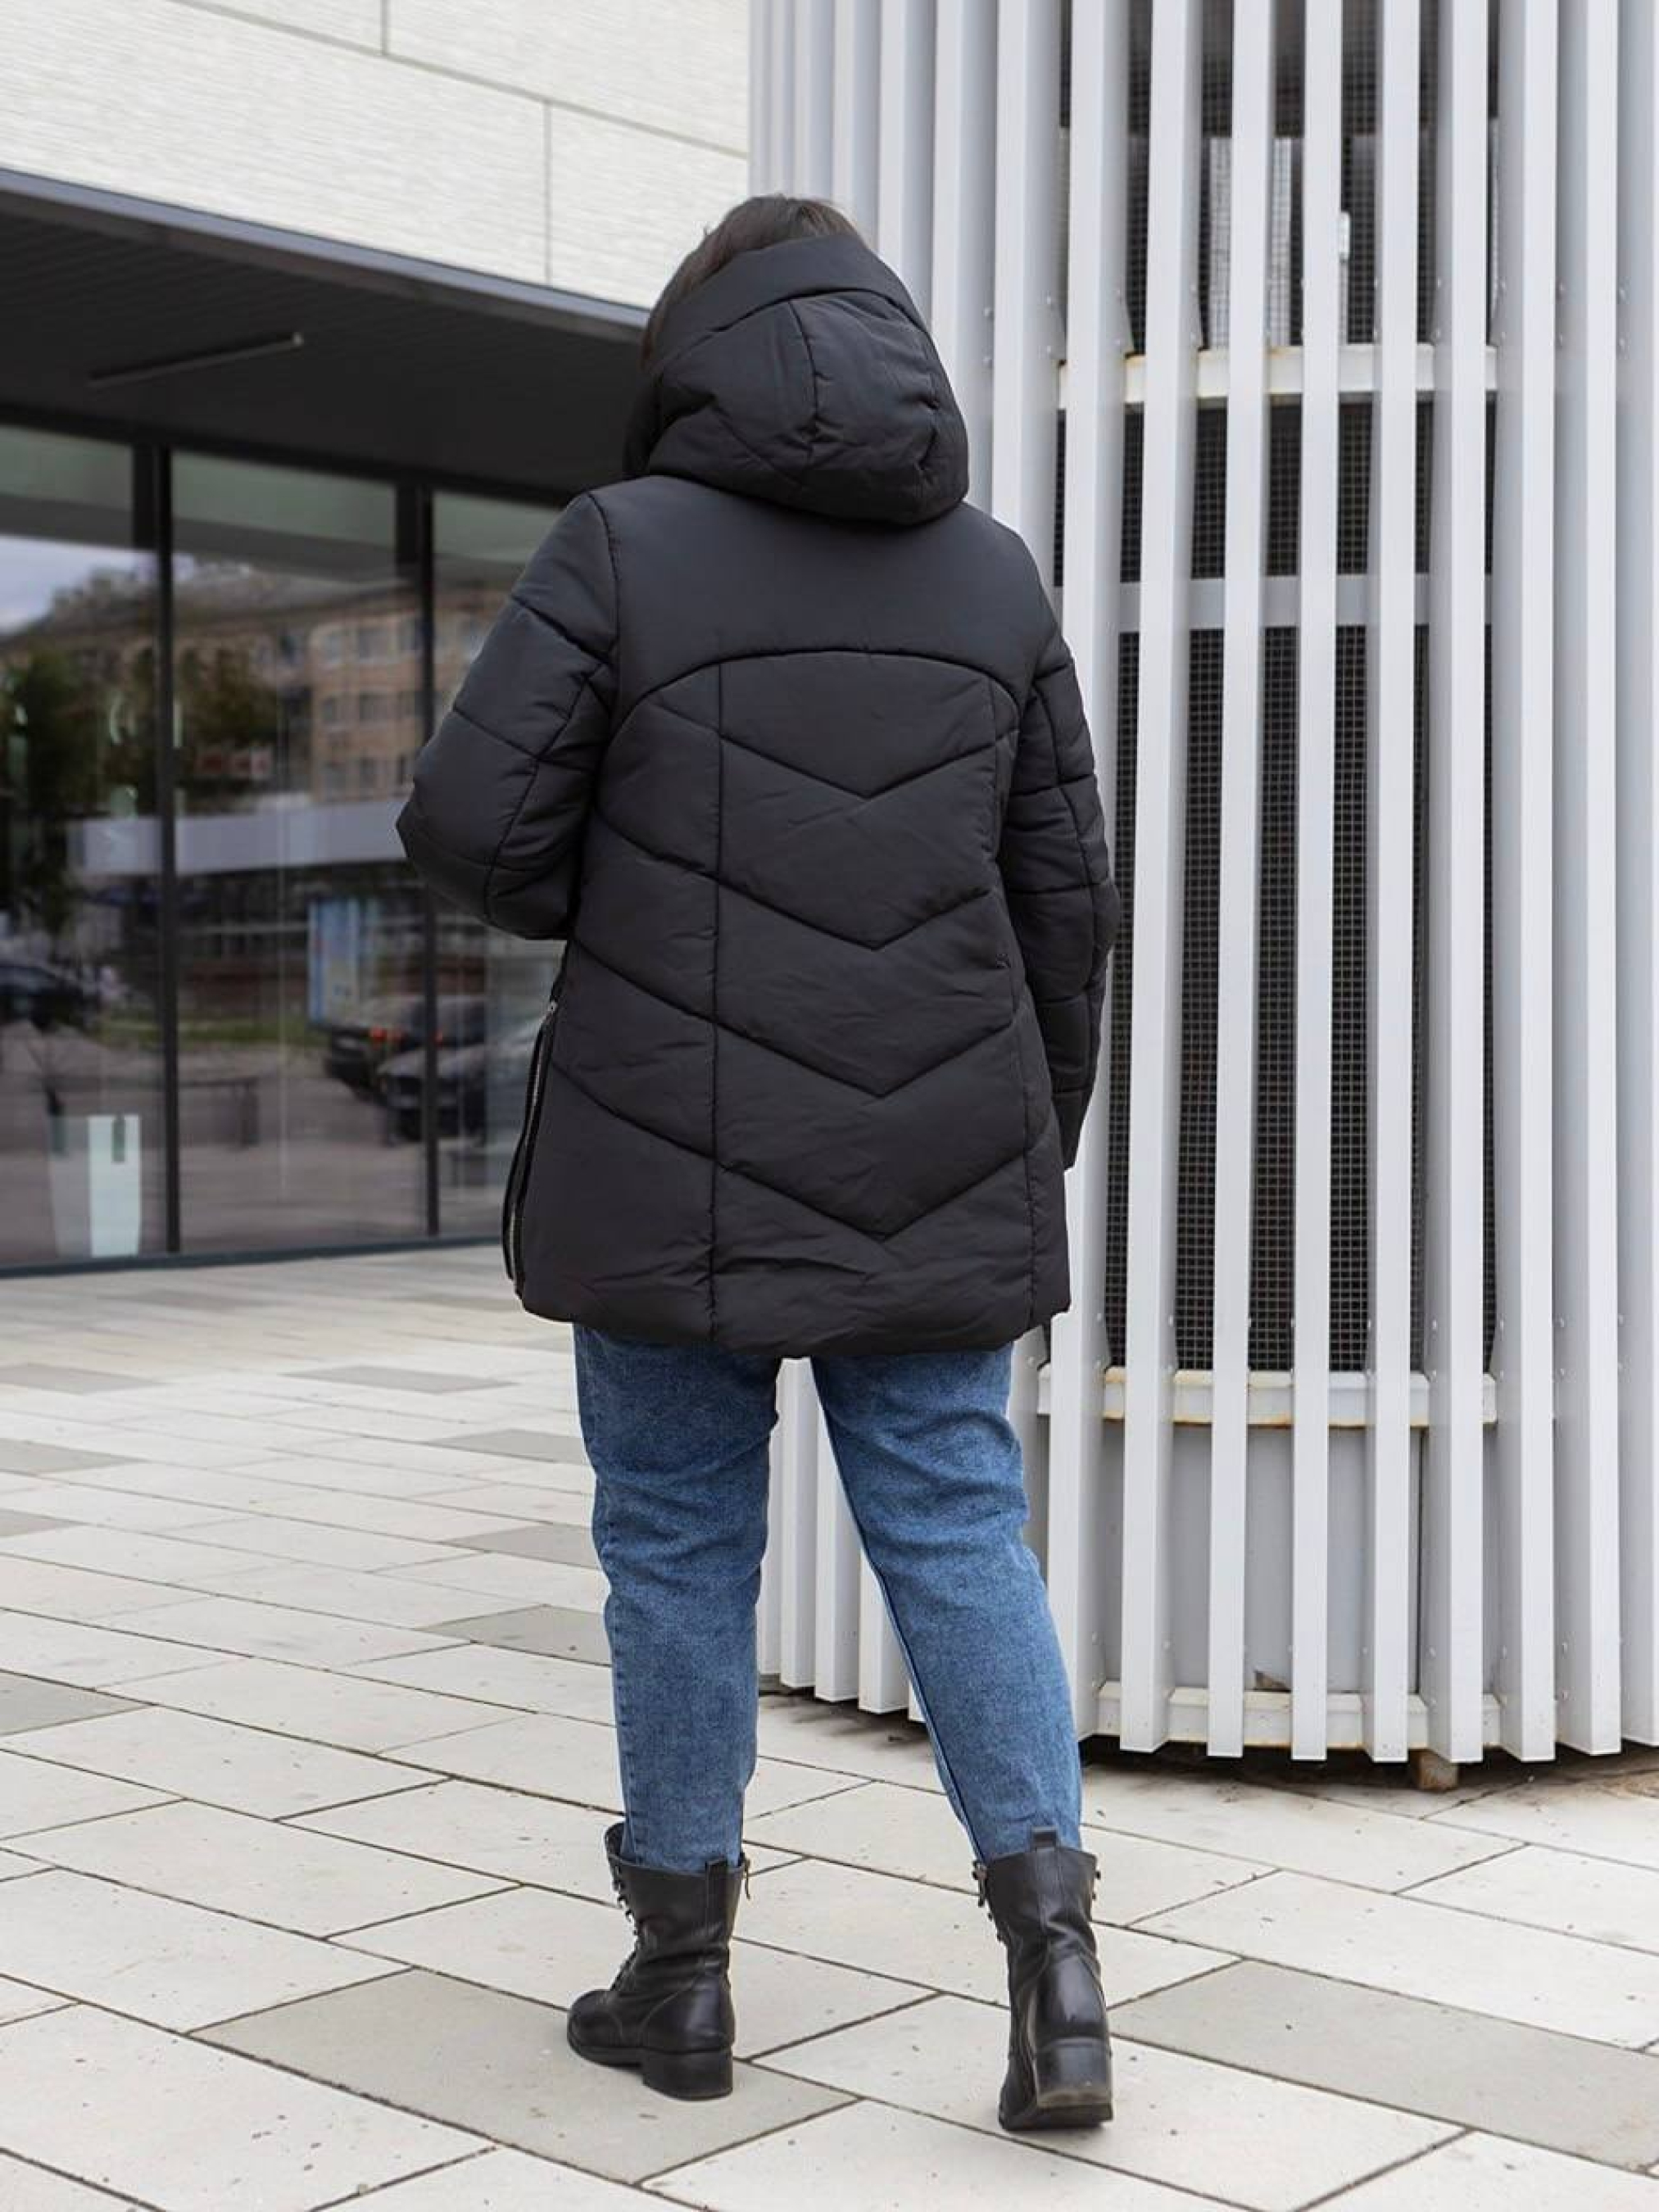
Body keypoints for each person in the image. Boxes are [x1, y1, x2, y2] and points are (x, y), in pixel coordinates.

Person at [396, 194, 1120, 2133]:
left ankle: (683, 1982)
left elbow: (469, 828)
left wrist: (629, 884)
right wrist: (1027, 1139)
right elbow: (1066, 903)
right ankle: (1056, 1976)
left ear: (691, 356)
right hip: (936, 1148)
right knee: (957, 1532)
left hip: (664, 1151)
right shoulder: (991, 576)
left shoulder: (620, 546)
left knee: (674, 1545)